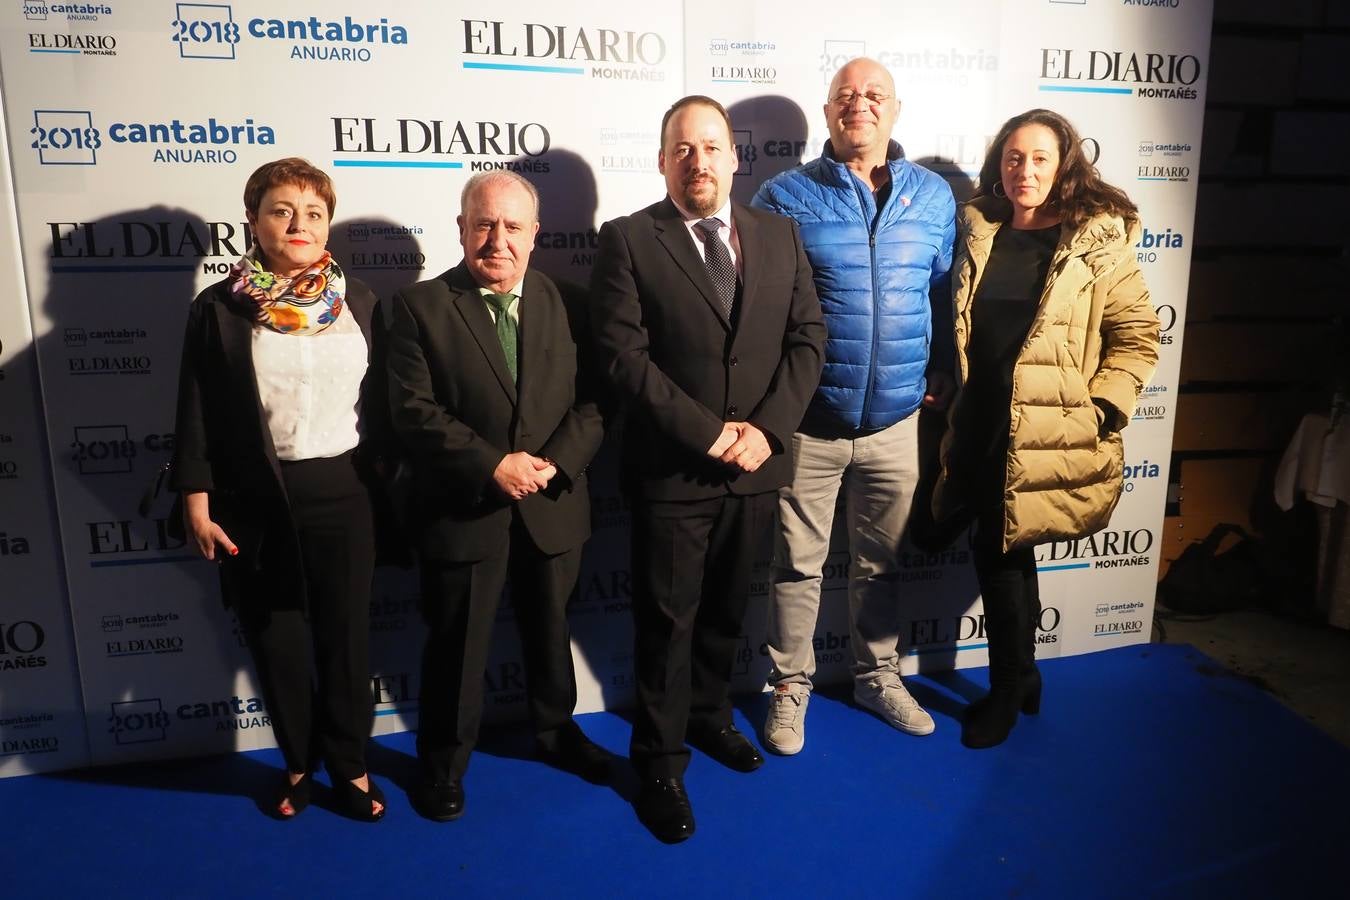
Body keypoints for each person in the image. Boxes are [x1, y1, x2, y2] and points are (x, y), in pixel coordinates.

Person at [590, 95, 825, 843]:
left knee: (728, 610)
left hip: (757, 467)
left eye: (712, 146)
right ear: (662, 161)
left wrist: (766, 429)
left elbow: (808, 340)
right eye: (682, 148)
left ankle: (712, 715)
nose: (698, 161)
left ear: (735, 157)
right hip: (674, 472)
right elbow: (624, 359)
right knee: (668, 622)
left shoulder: (780, 236)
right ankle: (659, 761)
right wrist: (710, 434)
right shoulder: (628, 240)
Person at [933, 108, 1160, 748]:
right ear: (997, 164)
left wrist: (1103, 408)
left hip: (1046, 428)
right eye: (1013, 157)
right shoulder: (977, 227)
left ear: (1064, 165)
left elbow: (1138, 335)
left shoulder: (1094, 241)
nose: (1023, 170)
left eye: (1038, 158)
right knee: (1010, 548)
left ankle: (1007, 689)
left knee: (998, 557)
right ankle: (1024, 677)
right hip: (977, 421)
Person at [385, 171, 608, 823]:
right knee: (456, 648)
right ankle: (444, 764)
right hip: (463, 511)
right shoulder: (417, 308)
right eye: (484, 224)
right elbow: (411, 410)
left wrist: (553, 466)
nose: (497, 240)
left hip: (552, 505)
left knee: (551, 631)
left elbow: (596, 402)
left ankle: (556, 732)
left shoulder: (573, 303)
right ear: (461, 228)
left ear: (536, 235)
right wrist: (491, 466)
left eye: (513, 227)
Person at [171, 157, 388, 820]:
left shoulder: (360, 302)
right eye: (282, 210)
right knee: (277, 637)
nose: (299, 224)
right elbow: (196, 409)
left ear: (328, 227)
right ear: (253, 222)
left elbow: (385, 408)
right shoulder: (219, 310)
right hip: (256, 498)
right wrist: (196, 503)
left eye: (314, 213)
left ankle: (349, 767)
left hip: (346, 491)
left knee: (346, 638)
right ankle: (298, 763)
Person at [750, 57, 956, 755]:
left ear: (895, 109)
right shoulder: (784, 195)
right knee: (795, 564)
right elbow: (766, 309)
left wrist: (936, 374)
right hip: (810, 422)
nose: (858, 104)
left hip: (899, 421)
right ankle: (788, 687)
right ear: (828, 112)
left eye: (873, 94)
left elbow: (942, 295)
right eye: (845, 95)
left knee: (883, 562)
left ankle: (877, 674)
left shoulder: (933, 197)